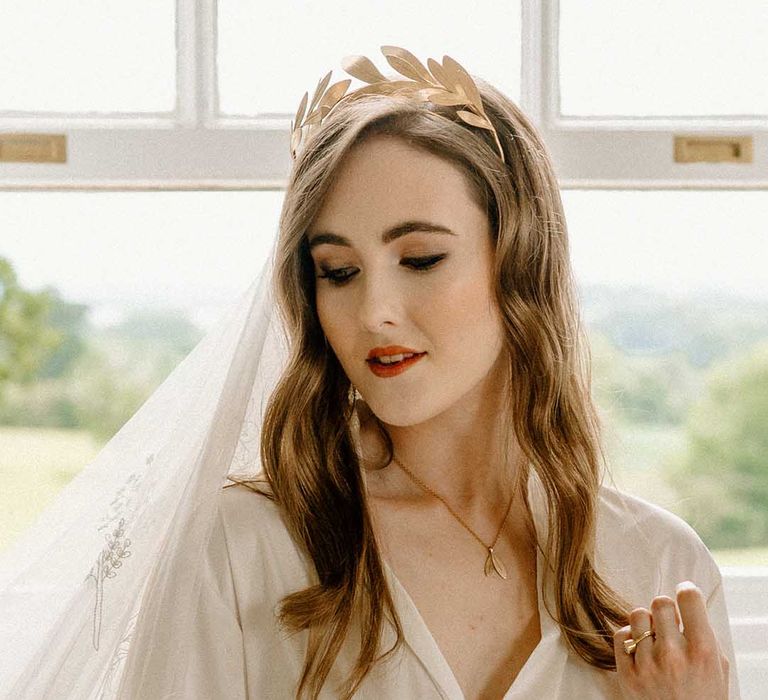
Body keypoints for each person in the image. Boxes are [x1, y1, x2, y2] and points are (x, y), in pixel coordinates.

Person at [0, 47, 739, 699]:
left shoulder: (657, 566)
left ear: (517, 263)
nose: (374, 310)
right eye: (338, 270)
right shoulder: (241, 548)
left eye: (420, 259)